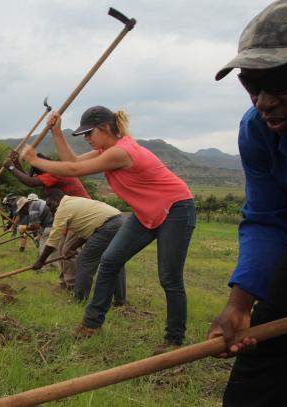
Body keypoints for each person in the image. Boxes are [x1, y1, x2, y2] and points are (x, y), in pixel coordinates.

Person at [207, 1, 287, 405]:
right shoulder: (259, 131)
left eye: (280, 80)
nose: (263, 101)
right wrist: (241, 302)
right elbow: (265, 217)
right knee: (264, 354)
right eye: (252, 84)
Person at [21, 105, 196, 348]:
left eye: (88, 134)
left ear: (104, 128)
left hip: (176, 209)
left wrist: (35, 159)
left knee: (169, 278)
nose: (86, 139)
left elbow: (72, 170)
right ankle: (91, 324)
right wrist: (57, 133)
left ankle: (174, 339)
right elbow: (72, 161)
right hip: (145, 213)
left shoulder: (121, 152)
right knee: (110, 261)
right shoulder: (108, 150)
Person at [5, 151, 91, 289]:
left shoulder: (56, 172)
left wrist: (11, 168)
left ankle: (73, 286)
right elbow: (29, 180)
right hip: (69, 214)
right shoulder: (51, 171)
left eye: (38, 174)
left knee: (69, 249)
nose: (39, 178)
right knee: (63, 249)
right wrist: (16, 163)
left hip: (81, 213)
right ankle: (65, 283)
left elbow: (30, 182)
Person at [33, 188, 127, 305]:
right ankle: (120, 301)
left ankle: (79, 300)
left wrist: (41, 261)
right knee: (114, 261)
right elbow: (87, 232)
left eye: (50, 204)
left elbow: (53, 240)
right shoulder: (74, 202)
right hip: (120, 221)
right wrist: (71, 248)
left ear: (57, 200)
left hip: (107, 226)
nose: (50, 208)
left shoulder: (63, 208)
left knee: (85, 261)